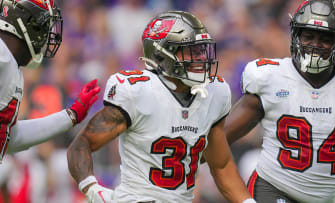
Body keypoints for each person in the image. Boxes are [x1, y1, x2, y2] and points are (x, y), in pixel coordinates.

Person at [67, 11, 256, 203]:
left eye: (201, 49)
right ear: (163, 55)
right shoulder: (138, 92)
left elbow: (221, 166)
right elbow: (81, 146)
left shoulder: (215, 92)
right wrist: (92, 189)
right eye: (191, 50)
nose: (200, 58)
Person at [224, 0, 335, 202]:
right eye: (308, 36)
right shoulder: (271, 77)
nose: (315, 45)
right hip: (273, 188)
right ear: (296, 35)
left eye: (325, 38)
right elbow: (217, 141)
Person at [0, 0, 100, 162]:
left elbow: (9, 138)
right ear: (27, 24)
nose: (46, 38)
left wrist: (70, 116)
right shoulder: (3, 55)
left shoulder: (12, 66)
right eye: (44, 27)